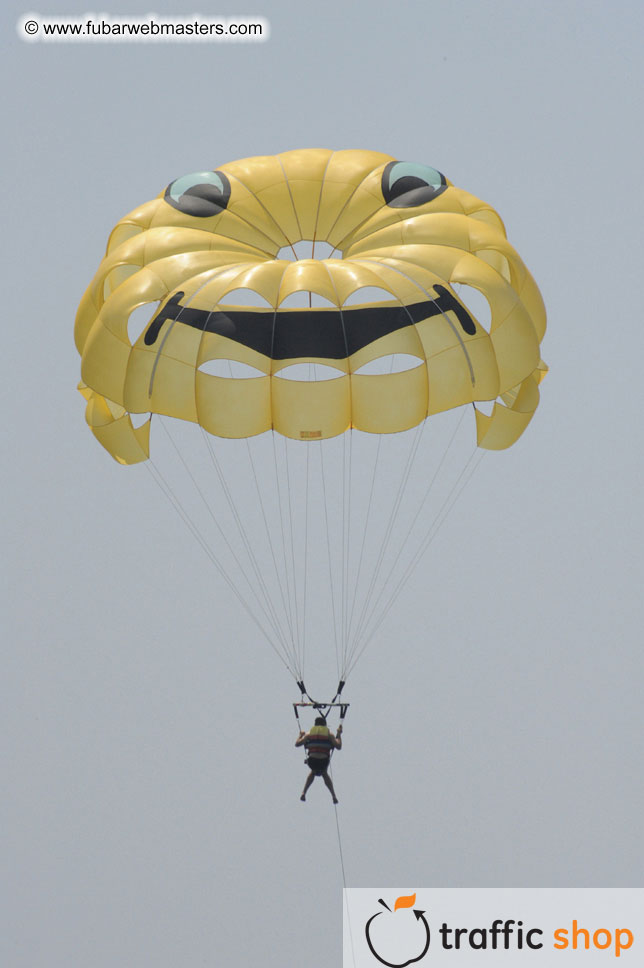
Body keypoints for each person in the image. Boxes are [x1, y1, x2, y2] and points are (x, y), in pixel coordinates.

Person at [295, 716, 343, 803]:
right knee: (324, 773)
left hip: (312, 762)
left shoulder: (308, 734)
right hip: (323, 762)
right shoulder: (330, 735)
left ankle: (303, 792)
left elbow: (297, 744)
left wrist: (300, 735)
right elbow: (338, 746)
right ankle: (333, 796)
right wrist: (339, 734)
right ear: (325, 725)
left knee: (313, 772)